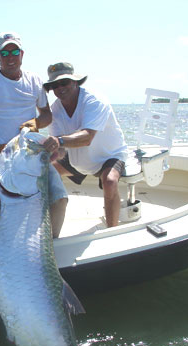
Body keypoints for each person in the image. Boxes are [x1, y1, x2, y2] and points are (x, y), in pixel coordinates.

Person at [0, 31, 67, 237]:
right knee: (3, 208)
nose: (10, 57)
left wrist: (35, 122)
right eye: (4, 53)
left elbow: (47, 115)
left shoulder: (34, 80)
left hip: (30, 154)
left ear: (22, 54)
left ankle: (49, 245)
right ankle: (0, 243)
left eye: (14, 51)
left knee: (59, 197)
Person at [42, 62, 128, 228]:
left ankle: (112, 231)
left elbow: (87, 137)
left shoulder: (94, 101)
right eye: (55, 85)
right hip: (77, 160)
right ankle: (46, 229)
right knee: (42, 173)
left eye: (64, 82)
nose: (60, 88)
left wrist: (58, 141)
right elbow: (59, 147)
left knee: (110, 182)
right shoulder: (55, 110)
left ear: (75, 82)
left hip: (108, 156)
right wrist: (50, 154)